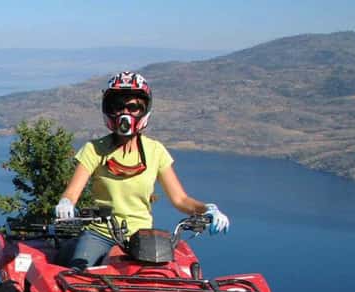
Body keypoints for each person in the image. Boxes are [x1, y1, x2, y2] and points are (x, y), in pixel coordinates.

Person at [55, 71, 229, 269]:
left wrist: (207, 209)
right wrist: (66, 203)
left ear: (144, 110)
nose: (125, 113)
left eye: (134, 107)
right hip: (100, 235)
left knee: (167, 282)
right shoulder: (94, 150)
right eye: (118, 106)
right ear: (108, 109)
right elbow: (72, 192)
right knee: (78, 274)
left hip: (143, 239)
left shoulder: (155, 151)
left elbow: (180, 199)